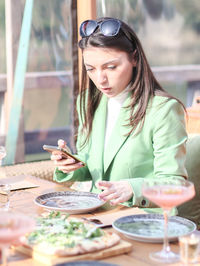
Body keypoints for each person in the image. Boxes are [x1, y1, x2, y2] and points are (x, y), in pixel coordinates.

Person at [51, 17, 188, 208]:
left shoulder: (163, 110)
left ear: (134, 58)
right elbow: (95, 167)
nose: (100, 80)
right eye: (90, 69)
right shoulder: (87, 102)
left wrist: (134, 188)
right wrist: (72, 164)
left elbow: (177, 186)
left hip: (140, 220)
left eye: (111, 67)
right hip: (96, 215)